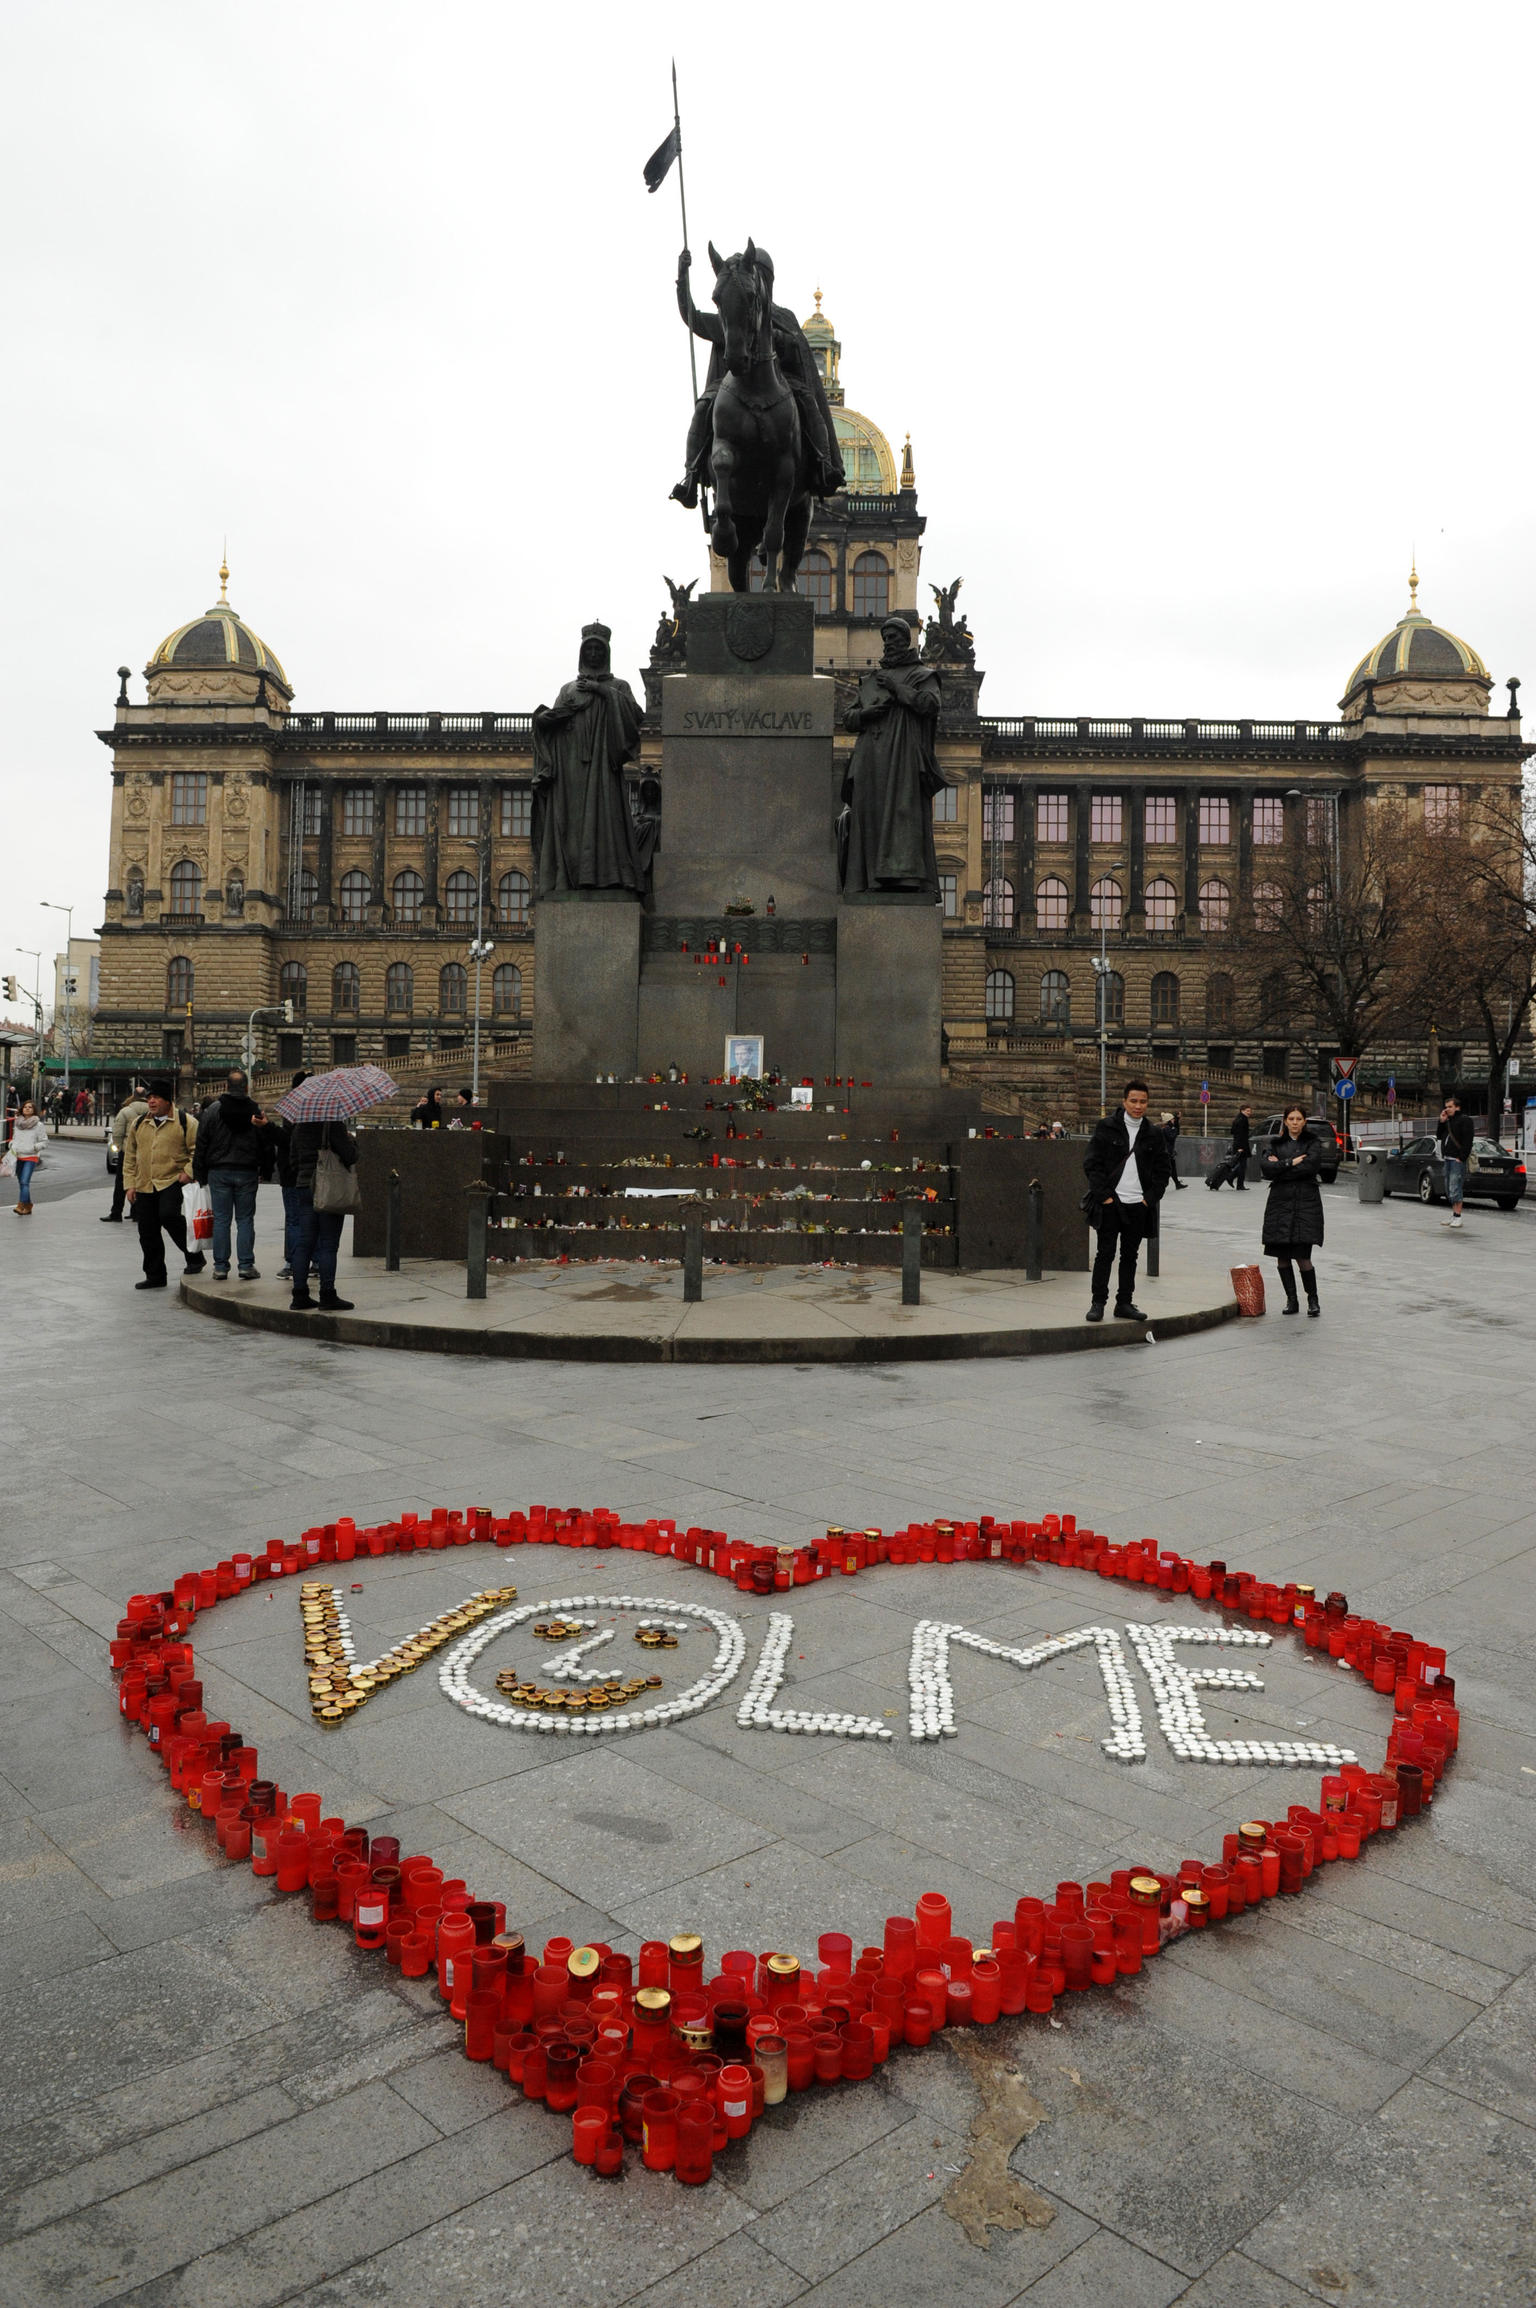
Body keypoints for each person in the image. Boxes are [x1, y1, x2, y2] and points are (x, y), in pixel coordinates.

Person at [671, 244, 845, 509]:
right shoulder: (733, 312)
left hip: (784, 383)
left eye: (761, 274)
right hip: (731, 386)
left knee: (809, 404)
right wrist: (683, 278)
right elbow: (692, 317)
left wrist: (776, 339)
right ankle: (691, 475)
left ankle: (825, 463)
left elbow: (798, 351)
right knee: (704, 405)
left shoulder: (784, 316)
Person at [1083, 1078, 1172, 1323]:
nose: (1138, 1106)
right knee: (1105, 1254)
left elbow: (1163, 1169)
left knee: (1130, 1256)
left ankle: (1124, 1303)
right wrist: (1105, 1197)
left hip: (1138, 1205)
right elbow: (1092, 1163)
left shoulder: (1153, 1133)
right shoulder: (1106, 1126)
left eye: (1143, 1101)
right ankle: (1098, 1302)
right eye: (1133, 1101)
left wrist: (1150, 1199)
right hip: (1111, 1203)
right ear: (1124, 1101)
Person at [122, 1080, 204, 1289]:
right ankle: (155, 1275)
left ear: (168, 1101)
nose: (151, 1101)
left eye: (156, 1097)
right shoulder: (139, 1123)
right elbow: (130, 1155)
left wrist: (188, 1172)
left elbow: (199, 1151)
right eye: (149, 1097)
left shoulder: (187, 1122)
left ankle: (194, 1256)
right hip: (144, 1183)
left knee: (169, 1216)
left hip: (171, 1180)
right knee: (147, 1231)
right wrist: (130, 1185)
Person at [193, 1070, 273, 1279]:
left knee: (221, 1220)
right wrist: (266, 1169)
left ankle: (220, 1267)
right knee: (245, 1219)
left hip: (218, 1171)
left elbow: (201, 1142)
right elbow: (264, 1141)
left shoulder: (213, 1111)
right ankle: (246, 1265)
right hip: (246, 1171)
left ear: (226, 1086)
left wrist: (199, 1172)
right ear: (246, 1087)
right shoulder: (254, 1110)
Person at [1261, 1102, 1326, 1316]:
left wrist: (1280, 1166)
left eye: (1298, 1119)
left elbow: (1311, 1167)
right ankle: (1291, 1300)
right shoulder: (1275, 1143)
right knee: (1282, 1256)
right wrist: (1290, 1163)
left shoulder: (1313, 1142)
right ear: (1285, 1121)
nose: (1295, 1122)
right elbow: (1266, 1169)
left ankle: (1312, 1300)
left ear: (1304, 1121)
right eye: (1291, 1119)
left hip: (1305, 1203)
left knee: (1302, 1256)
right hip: (1280, 1204)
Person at [288, 1115, 358, 1312]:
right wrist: (351, 1140)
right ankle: (327, 1294)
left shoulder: (299, 1126)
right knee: (328, 1243)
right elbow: (350, 1156)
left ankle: (299, 1295)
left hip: (303, 1186)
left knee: (305, 1242)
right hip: (327, 1186)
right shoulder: (333, 1124)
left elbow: (293, 1160)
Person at [271, 1070, 308, 1279]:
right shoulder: (322, 1109)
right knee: (313, 1219)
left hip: (292, 1173)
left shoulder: (290, 1108)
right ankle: (316, 1262)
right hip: (313, 1174)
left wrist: (268, 1128)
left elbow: (287, 1141)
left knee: (294, 1220)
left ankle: (292, 1263)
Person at [104, 1081, 149, 1220]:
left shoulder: (125, 1111)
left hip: (128, 1151)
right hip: (146, 1152)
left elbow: (117, 1133)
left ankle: (116, 1212)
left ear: (133, 1096)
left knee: (121, 1182)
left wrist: (118, 1146)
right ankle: (137, 1212)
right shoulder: (151, 1111)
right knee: (141, 1181)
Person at [1437, 1094, 1475, 1230]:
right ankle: (1454, 1215)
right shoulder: (1448, 1120)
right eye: (1446, 1107)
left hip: (1457, 1160)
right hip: (1447, 1158)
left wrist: (1462, 1157)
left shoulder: (1465, 1120)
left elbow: (1468, 1141)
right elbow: (1439, 1136)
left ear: (1457, 1107)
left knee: (1455, 1188)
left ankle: (1458, 1217)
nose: (1447, 1109)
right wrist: (1441, 1121)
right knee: (1448, 1189)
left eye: (1450, 1107)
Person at [7, 1099, 48, 1214]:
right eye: (25, 1107)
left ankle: (20, 1205)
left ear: (34, 1110)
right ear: (22, 1109)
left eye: (30, 1107)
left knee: (25, 1182)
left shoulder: (38, 1125)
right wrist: (12, 1145)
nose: (27, 1108)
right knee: (22, 1182)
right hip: (18, 1156)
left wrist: (34, 1147)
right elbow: (14, 1139)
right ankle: (28, 1205)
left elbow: (44, 1142)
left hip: (31, 1156)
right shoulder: (17, 1123)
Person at [1229, 1104, 1253, 1191]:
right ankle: (1238, 1184)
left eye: (1250, 1111)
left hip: (1238, 1144)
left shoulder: (1237, 1119)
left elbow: (1232, 1131)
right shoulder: (1243, 1120)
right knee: (1242, 1166)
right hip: (1242, 1146)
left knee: (1240, 1165)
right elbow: (1240, 1135)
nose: (1249, 1113)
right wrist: (1240, 1147)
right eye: (1247, 1111)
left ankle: (1232, 1178)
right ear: (1242, 1110)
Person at [1163, 1111, 1187, 1188]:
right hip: (1167, 1153)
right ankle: (1162, 1184)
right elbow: (1171, 1138)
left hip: (1169, 1152)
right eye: (1172, 1120)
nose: (1173, 1121)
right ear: (1169, 1120)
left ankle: (1177, 1184)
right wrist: (1175, 1130)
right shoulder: (1166, 1129)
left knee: (1173, 1169)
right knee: (1168, 1169)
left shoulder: (1168, 1128)